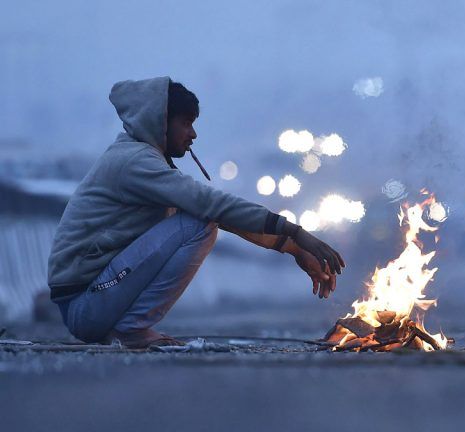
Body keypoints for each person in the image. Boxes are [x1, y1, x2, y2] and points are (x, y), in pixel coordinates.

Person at [47, 76, 345, 348]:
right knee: (199, 224)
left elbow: (225, 216)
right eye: (186, 123)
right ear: (161, 121)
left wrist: (292, 248)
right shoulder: (136, 162)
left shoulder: (143, 158)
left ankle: (128, 328)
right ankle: (131, 329)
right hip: (87, 305)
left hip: (94, 302)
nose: (193, 134)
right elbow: (213, 207)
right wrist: (296, 232)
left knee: (203, 219)